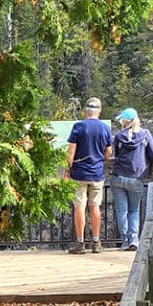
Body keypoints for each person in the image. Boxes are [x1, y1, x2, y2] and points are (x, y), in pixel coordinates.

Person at [66, 98, 113, 251]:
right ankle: (96, 242)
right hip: (97, 173)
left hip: (79, 173)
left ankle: (80, 243)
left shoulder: (79, 126)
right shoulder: (105, 128)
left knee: (79, 206)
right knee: (95, 206)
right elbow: (108, 153)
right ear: (99, 111)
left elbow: (71, 151)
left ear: (86, 111)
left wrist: (68, 169)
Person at [108, 109, 153, 248]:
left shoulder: (119, 136)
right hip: (136, 178)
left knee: (121, 211)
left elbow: (117, 155)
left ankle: (125, 241)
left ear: (124, 121)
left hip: (118, 177)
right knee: (134, 210)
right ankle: (134, 240)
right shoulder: (145, 134)